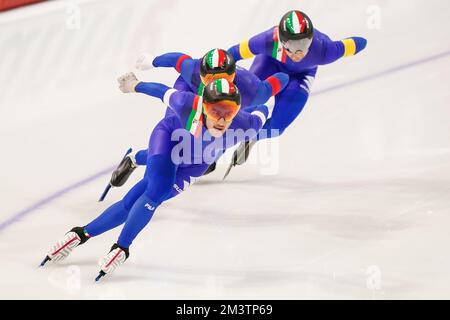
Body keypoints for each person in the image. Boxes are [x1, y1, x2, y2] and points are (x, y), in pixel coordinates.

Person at [40, 75, 274, 280]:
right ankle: (121, 248)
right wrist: (135, 85)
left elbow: (265, 109)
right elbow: (163, 92)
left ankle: (80, 234)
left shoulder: (245, 125)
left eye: (229, 113)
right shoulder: (185, 105)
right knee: (156, 191)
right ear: (203, 106)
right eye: (215, 112)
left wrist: (271, 99)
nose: (222, 120)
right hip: (168, 140)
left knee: (136, 200)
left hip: (196, 163)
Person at [107, 49, 289, 189]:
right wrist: (152, 62)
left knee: (199, 149)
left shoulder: (253, 91)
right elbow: (178, 60)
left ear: (234, 77)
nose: (215, 84)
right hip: (189, 95)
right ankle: (136, 159)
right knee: (175, 145)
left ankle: (137, 160)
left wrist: (283, 81)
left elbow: (282, 78)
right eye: (209, 78)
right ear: (201, 75)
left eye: (223, 78)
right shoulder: (192, 70)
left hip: (221, 110)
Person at [225, 10, 367, 173]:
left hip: (300, 77)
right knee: (241, 106)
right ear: (281, 40)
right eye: (291, 47)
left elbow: (359, 43)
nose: (296, 53)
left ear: (311, 40)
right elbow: (233, 54)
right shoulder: (268, 40)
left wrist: (355, 45)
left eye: (303, 45)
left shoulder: (325, 50)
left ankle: (253, 137)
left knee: (277, 127)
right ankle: (214, 150)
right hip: (269, 64)